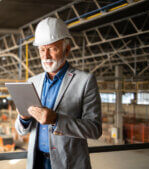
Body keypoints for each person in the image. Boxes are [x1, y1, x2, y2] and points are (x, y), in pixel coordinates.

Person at [15, 17, 102, 169]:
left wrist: (57, 119)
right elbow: (21, 130)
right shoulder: (33, 81)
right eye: (42, 50)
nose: (46, 56)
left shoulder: (85, 81)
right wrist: (23, 118)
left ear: (66, 49)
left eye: (53, 49)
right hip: (37, 162)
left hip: (68, 163)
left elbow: (94, 129)